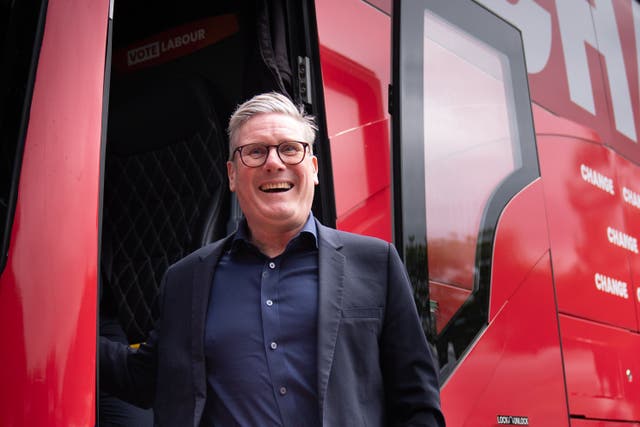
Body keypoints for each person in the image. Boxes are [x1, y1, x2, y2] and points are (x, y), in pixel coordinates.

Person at [100, 92, 445, 426]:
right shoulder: (184, 279)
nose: (274, 163)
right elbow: (143, 379)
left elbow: (417, 404)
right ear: (233, 175)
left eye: (290, 149)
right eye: (255, 152)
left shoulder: (376, 264)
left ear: (313, 168)